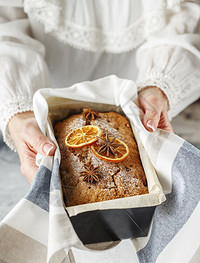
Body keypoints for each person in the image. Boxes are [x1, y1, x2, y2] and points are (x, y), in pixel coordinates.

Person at [0, 0, 200, 184]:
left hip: (138, 97)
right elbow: (6, 26)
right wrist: (21, 114)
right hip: (38, 97)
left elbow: (182, 17)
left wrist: (157, 88)